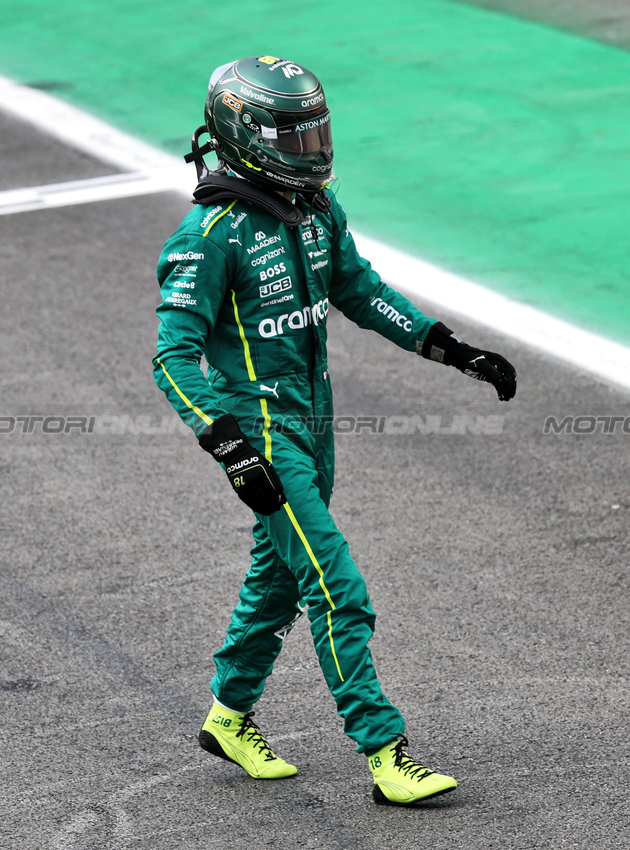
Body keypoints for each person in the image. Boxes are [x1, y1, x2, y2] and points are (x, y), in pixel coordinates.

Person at [153, 55, 516, 805]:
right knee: (335, 586)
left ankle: (227, 716)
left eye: (316, 132)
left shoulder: (315, 213)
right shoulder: (209, 236)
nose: (312, 150)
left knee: (279, 580)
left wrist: (453, 349)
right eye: (294, 135)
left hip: (314, 428)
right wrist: (228, 448)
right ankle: (385, 751)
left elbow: (358, 289)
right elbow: (171, 358)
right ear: (245, 135)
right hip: (259, 433)